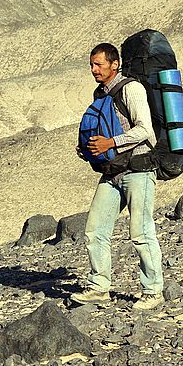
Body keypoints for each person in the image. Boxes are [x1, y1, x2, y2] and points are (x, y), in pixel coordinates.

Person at [71, 42, 164, 311]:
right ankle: (99, 287)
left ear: (115, 64)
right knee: (95, 230)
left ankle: (153, 291)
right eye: (91, 64)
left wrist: (109, 143)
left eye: (98, 64)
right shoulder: (100, 94)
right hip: (112, 171)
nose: (93, 69)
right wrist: (90, 148)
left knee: (141, 232)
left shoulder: (131, 89)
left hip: (139, 170)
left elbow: (145, 130)